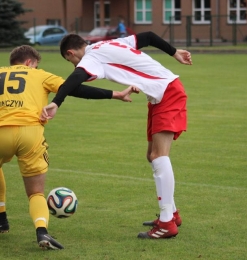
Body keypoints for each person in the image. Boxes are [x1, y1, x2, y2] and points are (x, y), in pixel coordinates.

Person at [41, 31, 192, 239]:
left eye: (70, 60)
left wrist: (56, 102)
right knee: (152, 156)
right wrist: (174, 53)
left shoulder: (91, 57)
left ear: (71, 52)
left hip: (167, 92)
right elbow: (147, 36)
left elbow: (76, 78)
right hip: (161, 94)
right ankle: (171, 214)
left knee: (159, 156)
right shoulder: (110, 44)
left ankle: (167, 224)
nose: (74, 65)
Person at [0, 45, 138, 249]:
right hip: (30, 132)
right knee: (36, 193)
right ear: (30, 63)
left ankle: (2, 217)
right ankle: (42, 233)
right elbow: (74, 88)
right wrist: (116, 94)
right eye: (36, 65)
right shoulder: (40, 76)